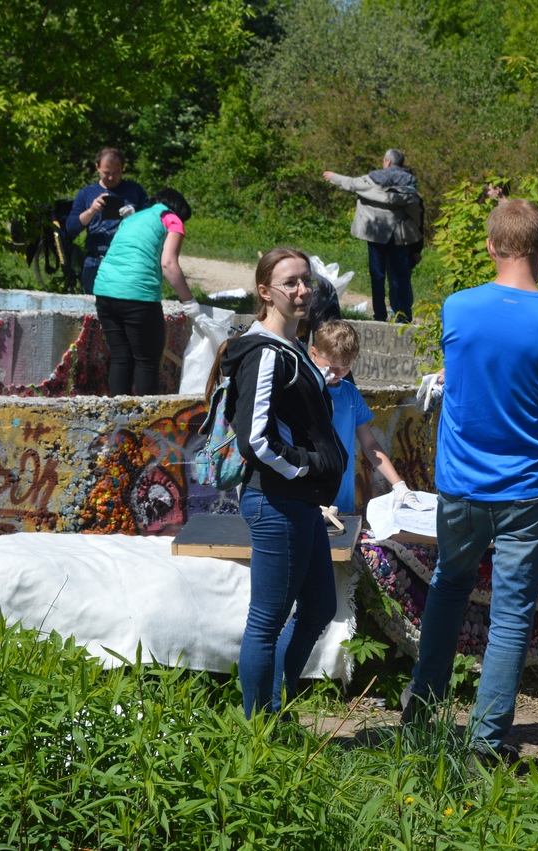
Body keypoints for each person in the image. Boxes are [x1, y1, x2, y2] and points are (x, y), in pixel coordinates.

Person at [403, 199, 538, 763]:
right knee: (510, 615)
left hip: (460, 485)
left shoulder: (458, 309)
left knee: (447, 590)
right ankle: (485, 743)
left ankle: (421, 719)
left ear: (491, 246)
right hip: (529, 489)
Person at [207, 247, 348, 718]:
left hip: (301, 502)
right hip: (276, 500)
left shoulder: (293, 347)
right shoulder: (264, 352)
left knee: (319, 608)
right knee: (266, 622)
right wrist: (307, 466)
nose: (302, 290)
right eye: (290, 282)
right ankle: (259, 726)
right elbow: (254, 440)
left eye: (306, 280)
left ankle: (278, 700)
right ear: (265, 292)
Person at [271, 319, 423, 704]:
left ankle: (336, 667)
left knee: (336, 592)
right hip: (305, 502)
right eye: (331, 365)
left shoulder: (350, 395)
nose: (337, 374)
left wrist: (399, 484)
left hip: (341, 508)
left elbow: (370, 445)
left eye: (345, 366)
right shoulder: (301, 390)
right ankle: (284, 682)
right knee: (299, 599)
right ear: (313, 355)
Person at [91, 188, 198, 396]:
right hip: (138, 295)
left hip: (104, 291)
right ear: (179, 210)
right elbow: (168, 264)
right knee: (147, 360)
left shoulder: (133, 217)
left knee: (121, 356)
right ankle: (145, 423)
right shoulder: (172, 219)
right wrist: (190, 302)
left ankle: (118, 417)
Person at [324, 149, 424, 323]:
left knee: (377, 276)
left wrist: (333, 176)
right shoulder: (410, 182)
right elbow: (417, 213)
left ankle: (379, 315)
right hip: (400, 235)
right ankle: (403, 317)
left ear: (388, 162)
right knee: (400, 277)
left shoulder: (373, 179)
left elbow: (351, 183)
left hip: (376, 233)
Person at [65, 147, 148, 295]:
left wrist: (134, 218)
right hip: (95, 260)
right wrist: (91, 211)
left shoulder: (136, 191)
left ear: (123, 168)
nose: (111, 178)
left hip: (128, 261)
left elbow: (150, 226)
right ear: (97, 167)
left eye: (116, 173)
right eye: (106, 173)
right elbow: (71, 228)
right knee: (92, 309)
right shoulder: (86, 193)